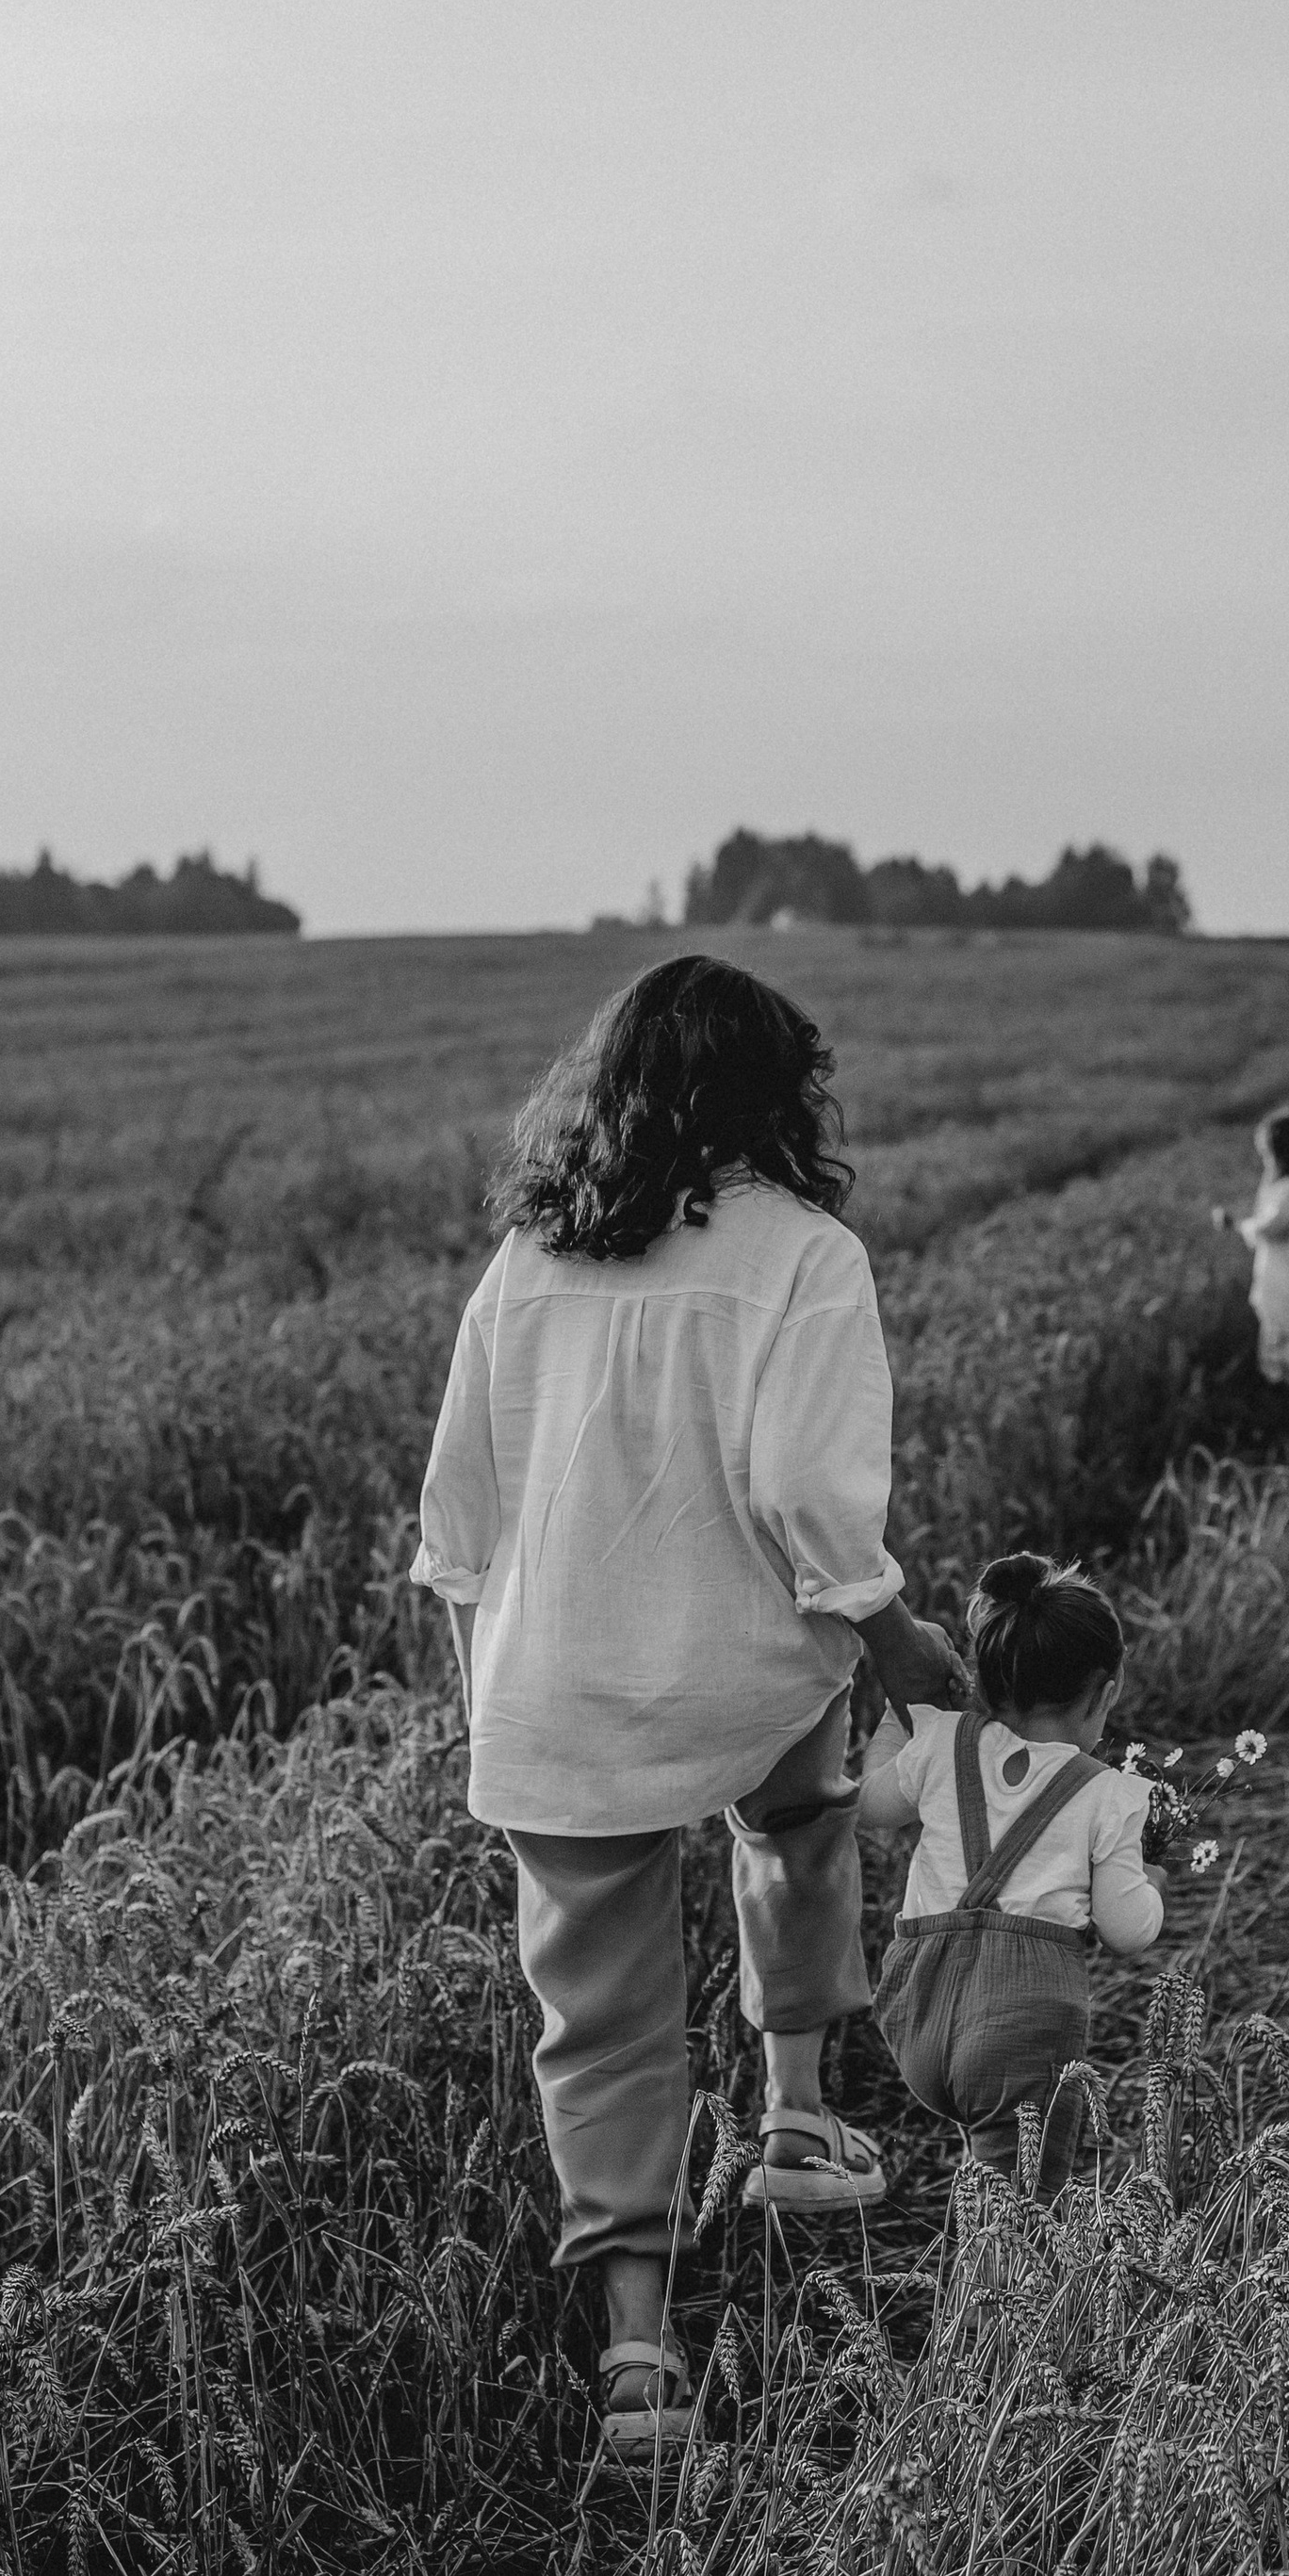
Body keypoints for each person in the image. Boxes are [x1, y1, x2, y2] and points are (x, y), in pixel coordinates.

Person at [412, 954, 966, 2462]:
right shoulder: (805, 1255)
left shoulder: (529, 1257)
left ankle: (641, 2356)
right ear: (777, 1093)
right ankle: (792, 2119)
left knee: (598, 2016)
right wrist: (895, 1635)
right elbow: (807, 1496)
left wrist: (496, 1698)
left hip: (556, 1687)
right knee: (795, 1820)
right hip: (740, 1658)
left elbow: (454, 1519)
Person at [858, 1553, 1163, 2198]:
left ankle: (979, 2268)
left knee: (988, 2187)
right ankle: (986, 2295)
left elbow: (870, 1806)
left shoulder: (942, 1742)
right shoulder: (1109, 1794)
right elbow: (1128, 1930)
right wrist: (1153, 1881)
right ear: (1104, 1694)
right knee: (1018, 2212)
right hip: (1024, 2034)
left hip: (918, 2015)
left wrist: (900, 1719)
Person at [1211, 1107, 1289, 1437]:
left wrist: (1234, 1223)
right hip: (1281, 1279)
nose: (1265, 1161)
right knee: (1281, 1344)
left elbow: (1272, 1227)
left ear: (1281, 1152)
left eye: (1267, 1154)